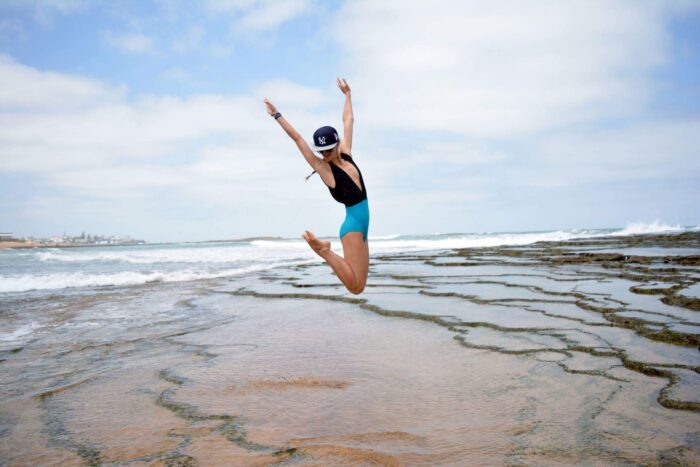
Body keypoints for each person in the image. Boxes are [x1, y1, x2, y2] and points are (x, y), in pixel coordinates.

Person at [264, 78, 369, 294]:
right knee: (355, 288)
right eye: (322, 152)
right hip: (352, 228)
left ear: (337, 144)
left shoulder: (347, 154)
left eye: (329, 150)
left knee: (361, 285)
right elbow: (297, 139)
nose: (325, 155)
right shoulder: (324, 169)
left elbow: (348, 121)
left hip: (363, 226)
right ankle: (324, 251)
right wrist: (277, 115)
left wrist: (348, 94)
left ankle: (325, 251)